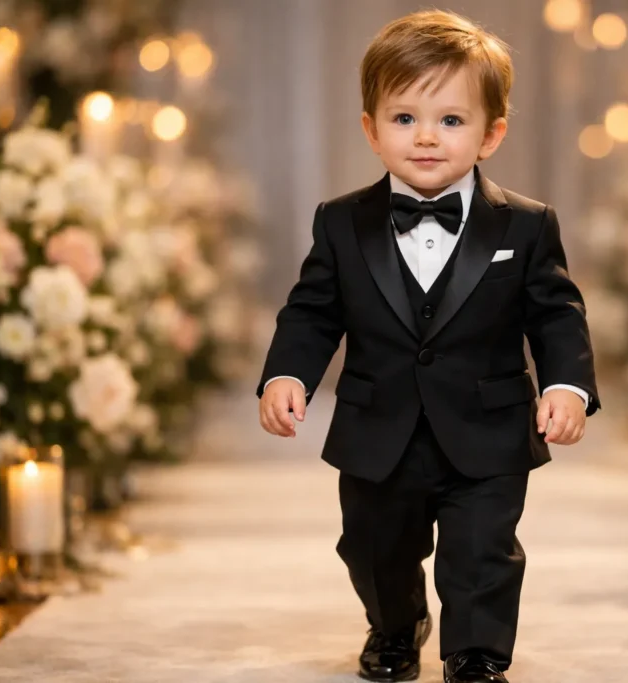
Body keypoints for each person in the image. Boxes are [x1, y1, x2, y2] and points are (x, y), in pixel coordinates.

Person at [257, 9, 599, 683]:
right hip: (377, 423)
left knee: (482, 550)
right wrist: (285, 373)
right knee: (372, 545)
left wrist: (568, 385)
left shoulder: (526, 226)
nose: (426, 138)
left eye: (451, 119)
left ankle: (476, 651)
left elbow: (557, 313)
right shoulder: (341, 222)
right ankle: (395, 624)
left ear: (491, 133)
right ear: (371, 128)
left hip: (489, 424)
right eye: (404, 117)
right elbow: (312, 311)